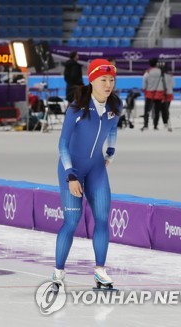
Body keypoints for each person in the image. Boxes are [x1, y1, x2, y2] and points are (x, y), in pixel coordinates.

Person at [51, 59, 121, 291]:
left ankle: (100, 271)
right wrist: (71, 175)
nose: (108, 84)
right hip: (71, 169)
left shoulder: (114, 107)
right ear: (92, 80)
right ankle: (58, 272)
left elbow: (112, 131)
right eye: (103, 80)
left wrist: (110, 152)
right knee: (72, 221)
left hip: (97, 169)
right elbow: (62, 143)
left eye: (111, 80)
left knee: (102, 219)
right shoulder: (77, 108)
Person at [141, 58, 164, 131]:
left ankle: (146, 124)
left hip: (150, 93)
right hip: (159, 93)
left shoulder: (147, 73)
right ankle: (155, 125)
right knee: (157, 110)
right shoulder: (161, 72)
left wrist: (145, 91)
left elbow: (144, 84)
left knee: (147, 110)